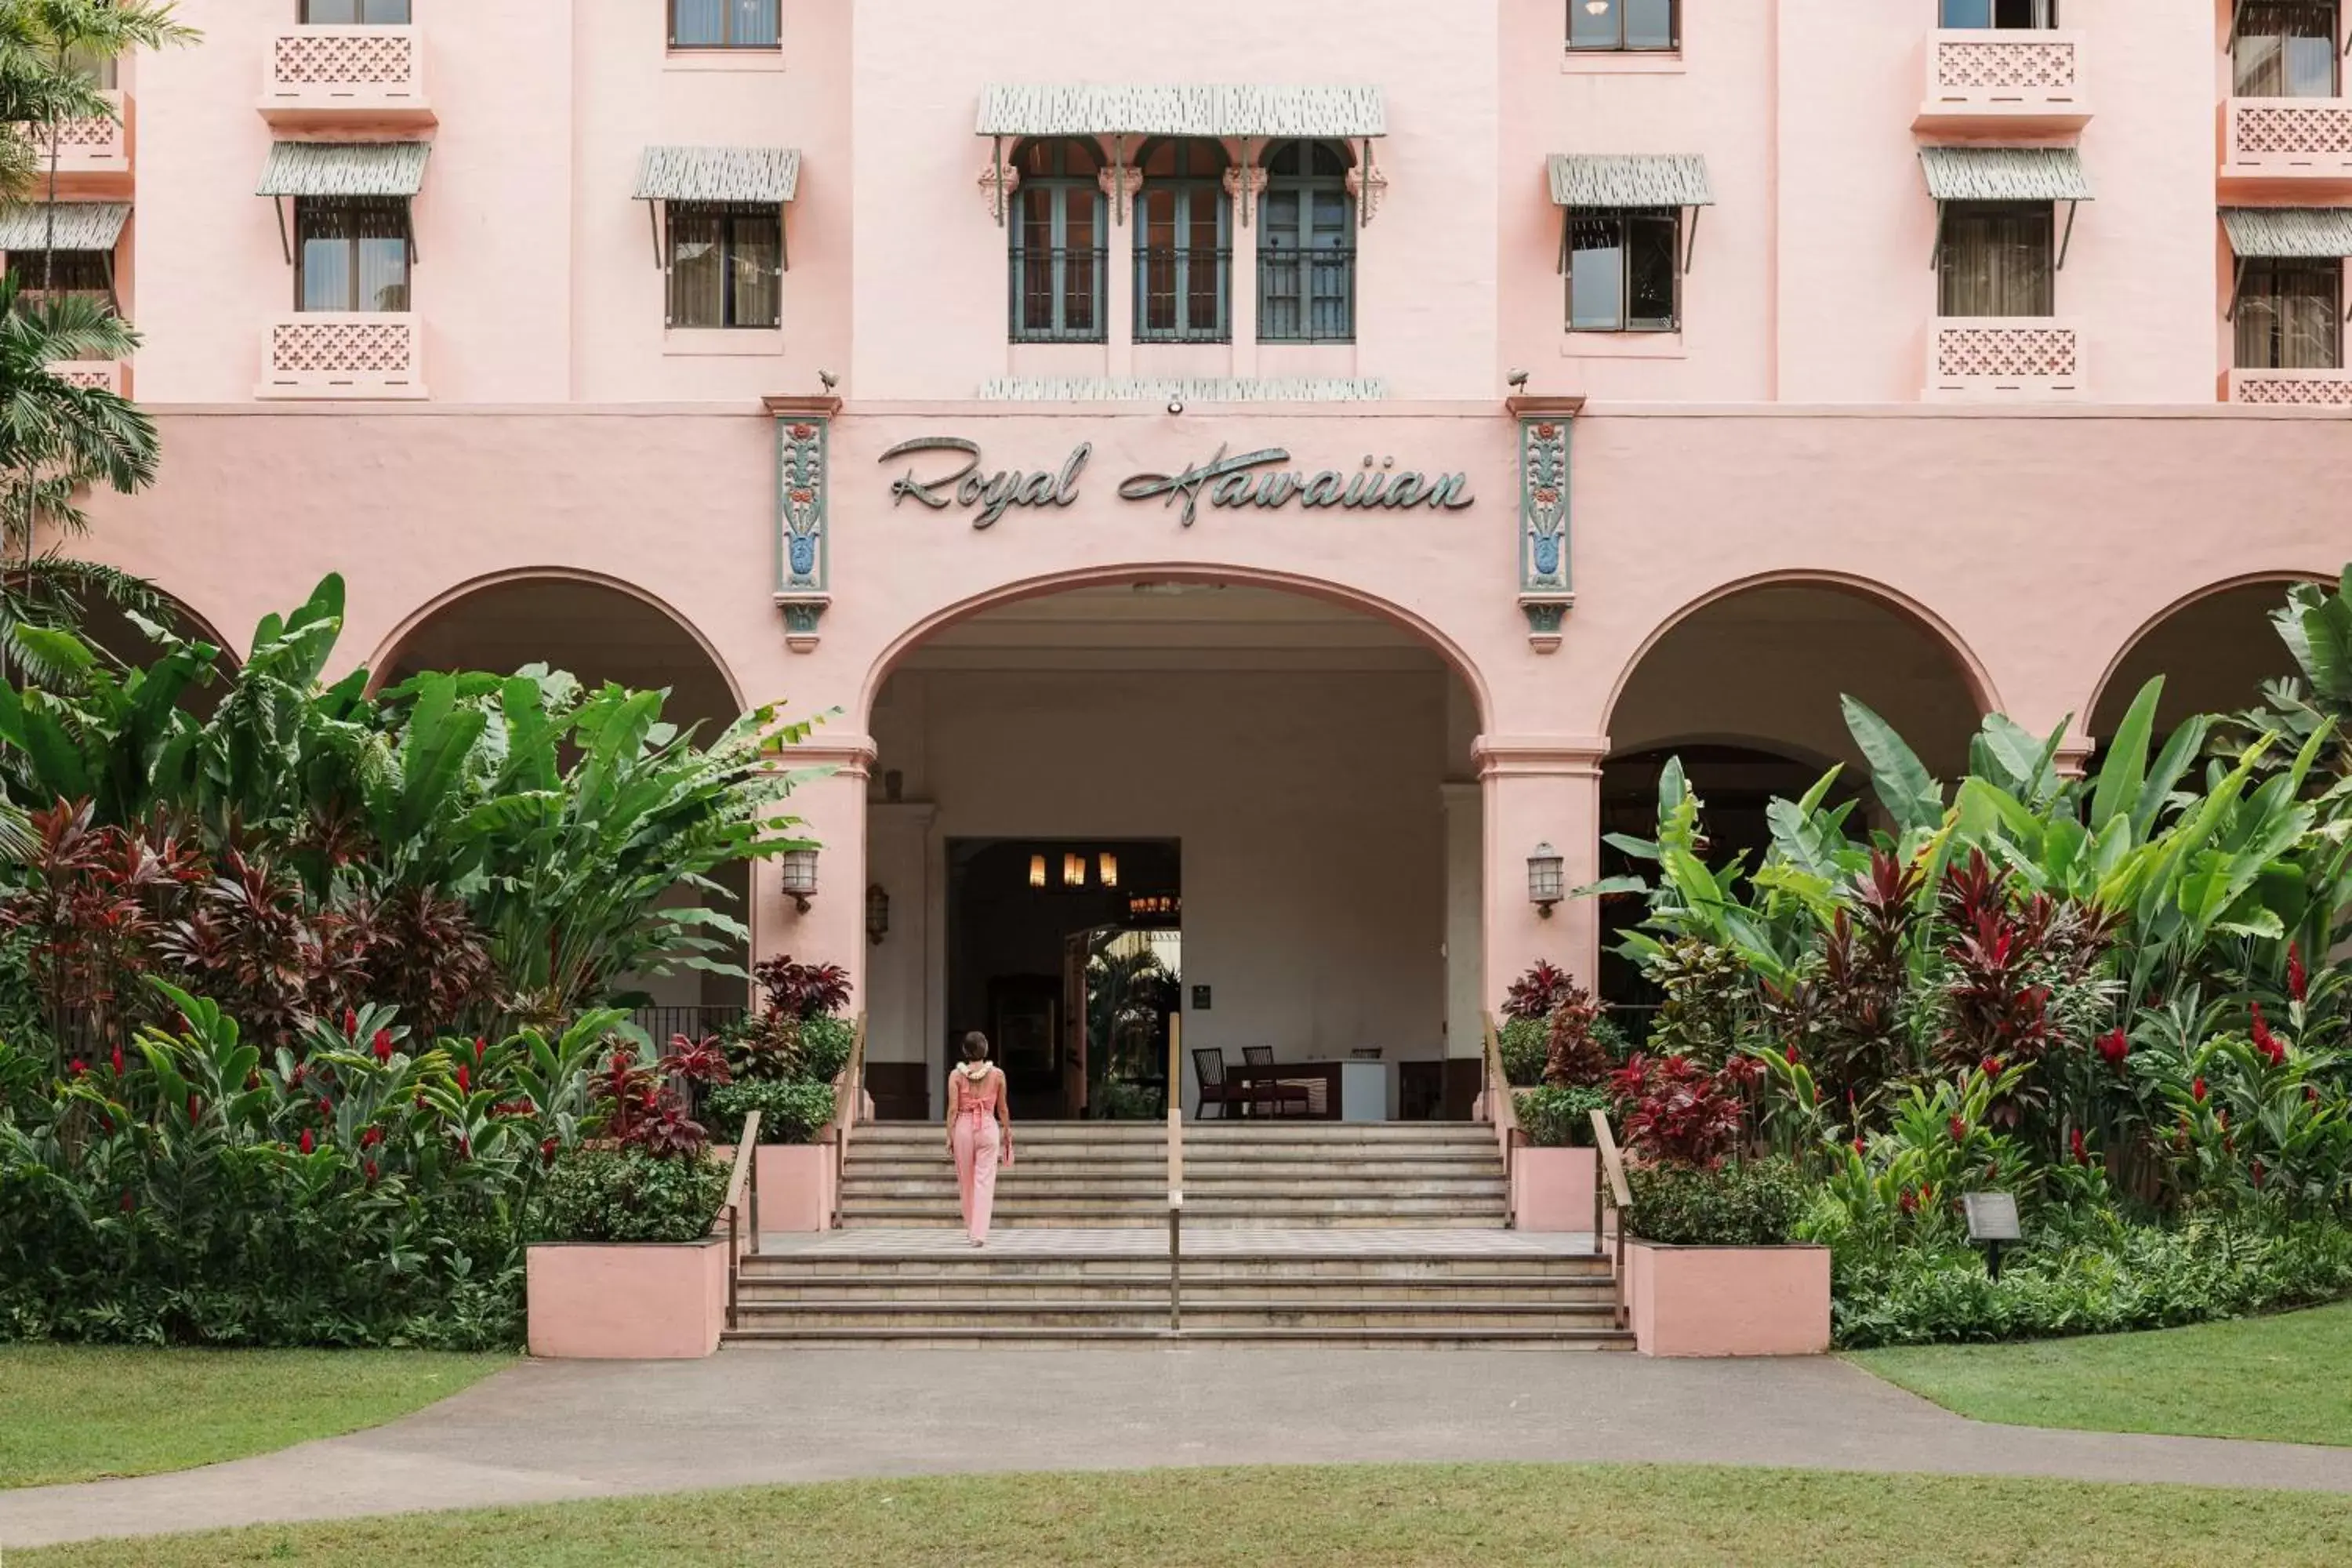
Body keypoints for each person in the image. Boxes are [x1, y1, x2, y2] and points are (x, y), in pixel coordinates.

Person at [946, 1031, 1013, 1246]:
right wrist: (1006, 1131)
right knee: (985, 1181)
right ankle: (979, 1233)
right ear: (985, 1050)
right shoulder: (998, 1075)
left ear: (965, 1051)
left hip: (963, 1127)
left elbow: (952, 1109)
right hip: (987, 1125)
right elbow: (1002, 1108)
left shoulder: (956, 1075)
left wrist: (949, 1135)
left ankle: (971, 1227)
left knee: (965, 1181)